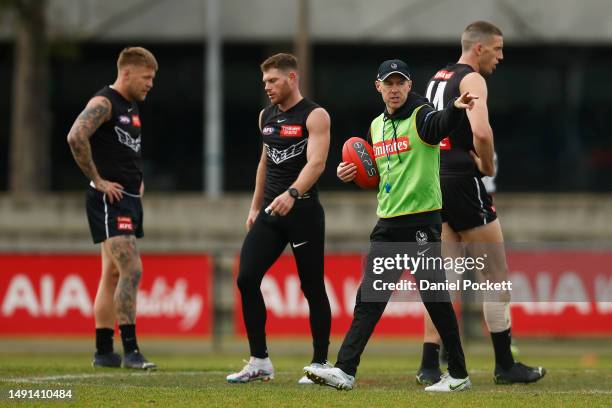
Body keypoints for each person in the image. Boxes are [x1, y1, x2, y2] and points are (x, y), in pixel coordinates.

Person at [305, 59, 478, 392]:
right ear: (379, 87)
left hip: (421, 224)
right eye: (389, 83)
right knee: (369, 299)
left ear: (409, 86)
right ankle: (345, 370)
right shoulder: (376, 126)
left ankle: (457, 374)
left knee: (436, 300)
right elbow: (377, 174)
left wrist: (455, 108)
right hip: (387, 223)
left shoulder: (422, 115)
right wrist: (351, 174)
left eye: (401, 83)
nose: (395, 89)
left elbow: (440, 124)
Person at [417, 21, 546, 385]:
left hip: (435, 181)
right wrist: (486, 166)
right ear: (478, 48)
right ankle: (505, 365)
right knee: (496, 278)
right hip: (462, 180)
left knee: (446, 279)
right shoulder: (471, 80)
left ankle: (428, 364)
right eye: (498, 48)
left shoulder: (436, 79)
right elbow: (482, 131)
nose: (501, 56)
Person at [226, 53, 332, 384]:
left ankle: (320, 363)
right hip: (272, 212)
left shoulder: (315, 116)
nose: (268, 87)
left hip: (303, 211)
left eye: (273, 81)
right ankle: (260, 361)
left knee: (312, 286)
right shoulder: (266, 116)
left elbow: (316, 164)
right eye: (265, 82)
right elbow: (264, 163)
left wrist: (292, 194)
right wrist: (255, 207)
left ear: (292, 78)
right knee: (246, 278)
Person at [67, 46, 158, 370]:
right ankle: (131, 351)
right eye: (147, 78)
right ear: (128, 73)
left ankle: (104, 351)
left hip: (130, 198)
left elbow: (123, 150)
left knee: (112, 273)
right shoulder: (105, 102)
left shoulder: (131, 107)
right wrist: (98, 180)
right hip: (110, 201)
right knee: (132, 268)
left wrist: (137, 180)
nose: (150, 84)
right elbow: (76, 136)